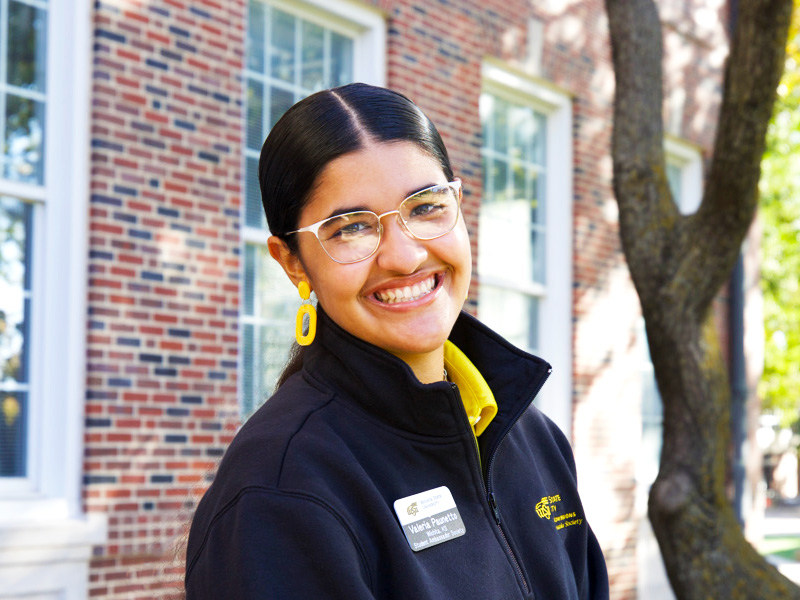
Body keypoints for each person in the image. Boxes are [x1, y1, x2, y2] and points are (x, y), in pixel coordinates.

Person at [184, 83, 609, 599]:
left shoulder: (535, 439)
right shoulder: (280, 491)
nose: (404, 257)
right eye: (351, 228)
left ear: (458, 204)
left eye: (426, 207)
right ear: (292, 260)